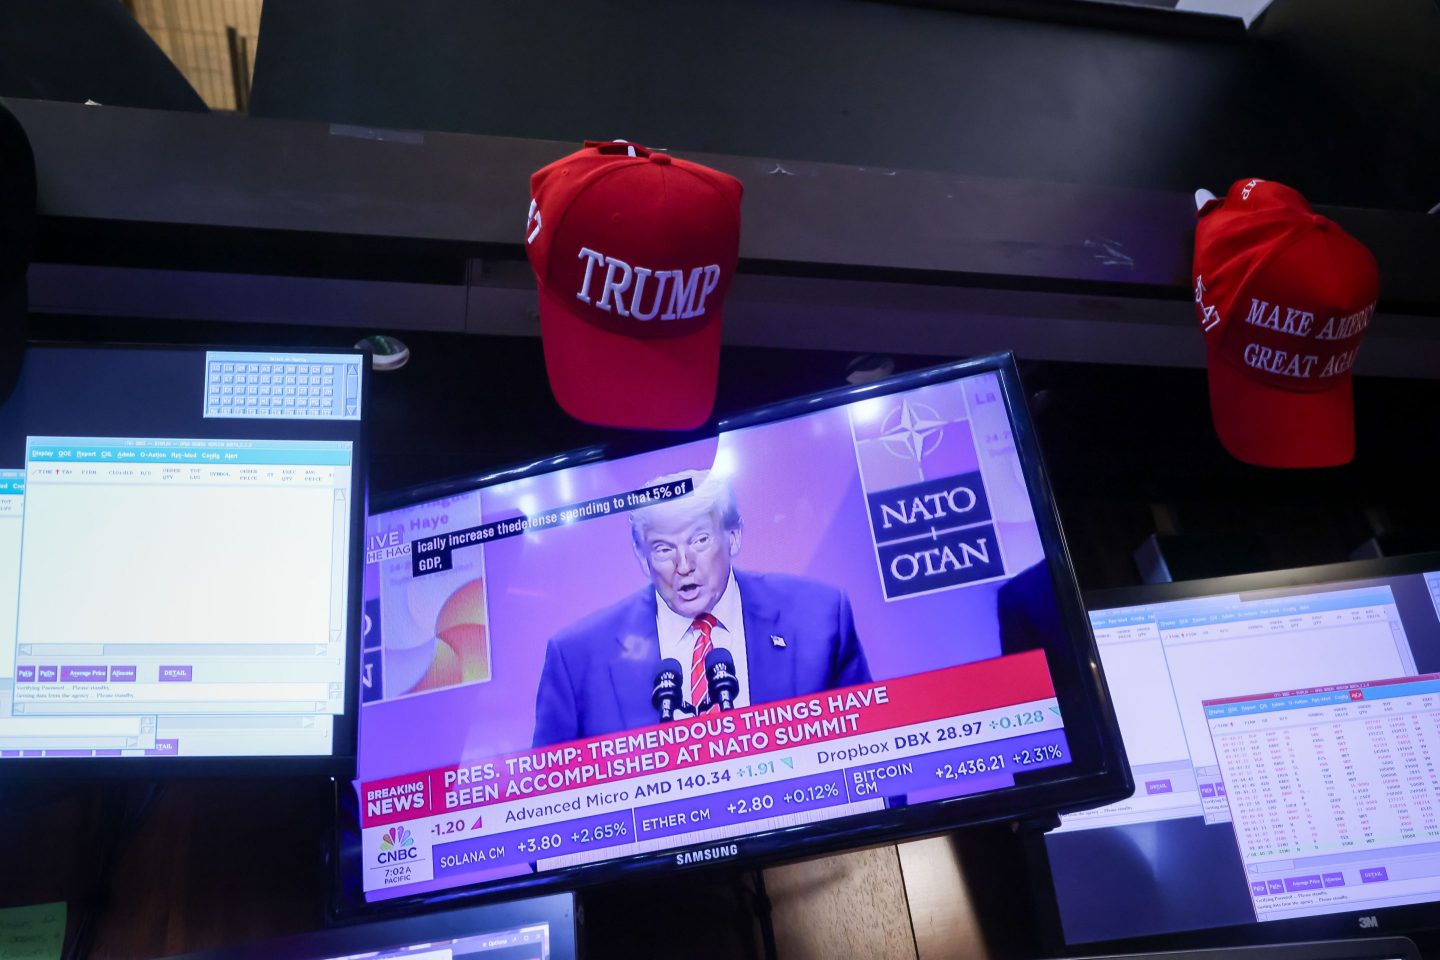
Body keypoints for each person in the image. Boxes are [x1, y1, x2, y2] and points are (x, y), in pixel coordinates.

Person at [532, 470, 871, 747]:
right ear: (641, 557)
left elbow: (874, 756)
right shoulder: (577, 659)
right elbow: (551, 806)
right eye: (664, 549)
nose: (684, 565)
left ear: (733, 537)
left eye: (699, 540)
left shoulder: (819, 618)